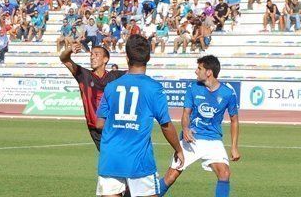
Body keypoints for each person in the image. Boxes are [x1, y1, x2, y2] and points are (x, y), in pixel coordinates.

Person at [95, 35, 184, 197]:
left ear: (127, 57)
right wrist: (178, 149)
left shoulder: (111, 87)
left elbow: (99, 124)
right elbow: (166, 125)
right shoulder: (154, 88)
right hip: (139, 159)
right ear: (148, 57)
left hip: (110, 157)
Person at [158, 55, 240, 197]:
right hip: (192, 139)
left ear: (209, 72)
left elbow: (234, 120)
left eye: (199, 68)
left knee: (224, 173)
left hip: (213, 140)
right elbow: (185, 114)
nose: (196, 71)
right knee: (170, 177)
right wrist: (185, 129)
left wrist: (234, 147)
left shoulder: (228, 93)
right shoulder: (193, 88)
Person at [60, 44, 125, 151]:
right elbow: (64, 59)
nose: (92, 57)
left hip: (114, 126)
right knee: (112, 160)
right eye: (91, 54)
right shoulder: (84, 75)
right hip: (96, 129)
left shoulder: (115, 76)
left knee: (115, 160)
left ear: (105, 59)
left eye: (96, 54)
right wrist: (69, 50)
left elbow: (135, 72)